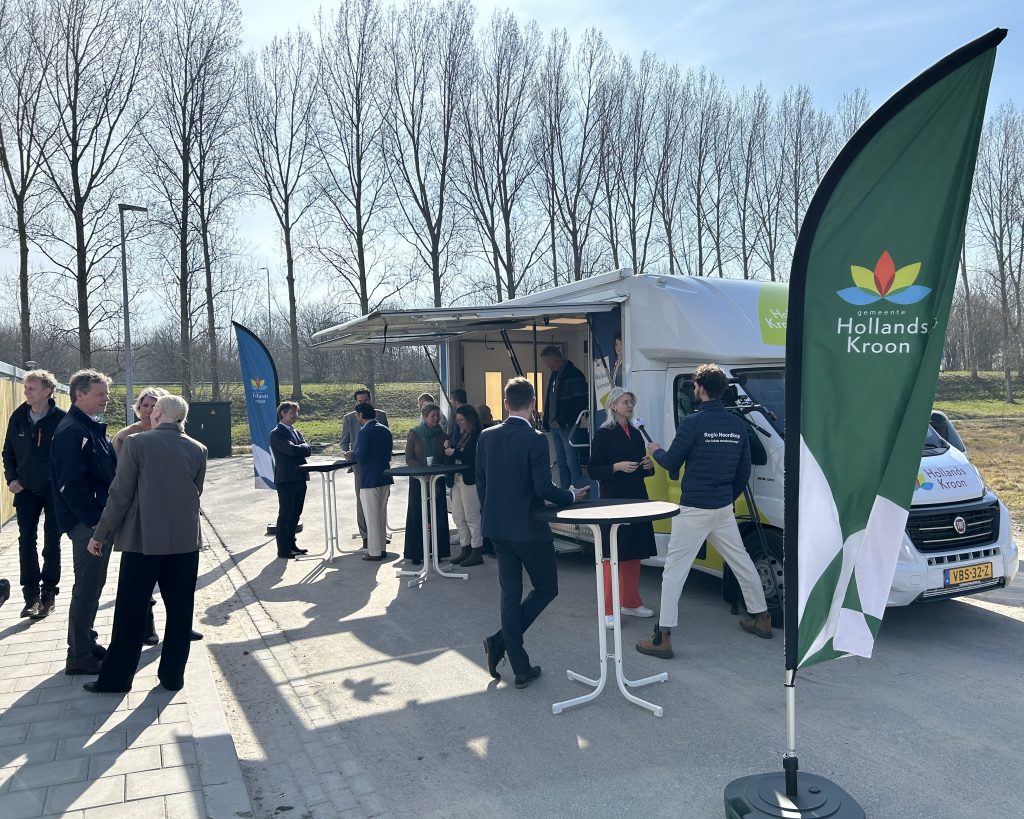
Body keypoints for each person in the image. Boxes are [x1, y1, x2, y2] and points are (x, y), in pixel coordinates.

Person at [636, 364, 772, 660]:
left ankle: (663, 637)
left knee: (674, 570)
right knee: (741, 561)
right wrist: (726, 497)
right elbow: (743, 470)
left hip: (695, 506)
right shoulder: (738, 425)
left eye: (695, 387)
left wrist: (654, 450)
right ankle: (761, 617)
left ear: (699, 388)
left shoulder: (693, 423)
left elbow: (671, 463)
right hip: (722, 507)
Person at [82, 395, 207, 694]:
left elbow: (120, 494)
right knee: (180, 611)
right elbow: (196, 491)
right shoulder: (198, 449)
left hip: (143, 540)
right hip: (185, 541)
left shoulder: (138, 444)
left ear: (159, 412)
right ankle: (173, 677)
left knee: (130, 611)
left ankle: (116, 679)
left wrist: (100, 535)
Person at [478, 377, 587, 689]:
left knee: (509, 595)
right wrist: (570, 495)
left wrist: (492, 518)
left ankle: (514, 658)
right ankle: (505, 649)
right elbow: (543, 487)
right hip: (529, 528)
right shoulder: (537, 440)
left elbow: (482, 483)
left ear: (506, 403)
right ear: (534, 403)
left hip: (498, 528)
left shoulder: (486, 437)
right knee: (546, 589)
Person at [51, 369, 118, 675]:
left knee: (94, 585)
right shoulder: (72, 431)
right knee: (87, 588)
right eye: (100, 394)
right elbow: (70, 484)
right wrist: (94, 523)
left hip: (94, 522)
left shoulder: (88, 427)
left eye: (106, 393)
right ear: (79, 395)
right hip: (87, 525)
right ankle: (78, 656)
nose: (106, 399)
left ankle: (86, 642)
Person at [587, 387, 657, 627]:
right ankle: (608, 608)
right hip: (614, 499)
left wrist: (648, 464)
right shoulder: (604, 434)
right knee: (611, 553)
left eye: (631, 402)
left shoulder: (636, 434)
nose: (629, 406)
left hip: (637, 497)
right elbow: (593, 469)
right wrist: (616, 467)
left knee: (633, 550)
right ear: (613, 406)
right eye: (625, 402)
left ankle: (630, 601)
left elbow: (645, 468)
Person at [2, 369, 66, 620]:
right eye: (26, 387)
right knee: (26, 541)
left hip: (53, 490)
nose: (26, 391)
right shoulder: (18, 417)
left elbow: (67, 455)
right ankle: (31, 597)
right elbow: (8, 451)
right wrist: (11, 478)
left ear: (47, 391)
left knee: (52, 542)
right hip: (25, 489)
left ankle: (48, 593)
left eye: (32, 388)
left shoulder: (61, 419)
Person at [341, 388, 389, 550]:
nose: (362, 404)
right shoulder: (349, 418)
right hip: (359, 465)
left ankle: (379, 537)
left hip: (378, 464)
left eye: (365, 401)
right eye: (359, 401)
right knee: (363, 502)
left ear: (370, 400)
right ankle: (366, 536)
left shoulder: (380, 416)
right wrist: (348, 454)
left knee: (380, 500)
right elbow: (344, 441)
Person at [403, 403, 450, 563]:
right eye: (433, 416)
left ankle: (438, 552)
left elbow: (446, 458)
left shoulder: (443, 436)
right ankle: (416, 554)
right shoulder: (415, 434)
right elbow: (409, 457)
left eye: (438, 416)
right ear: (424, 417)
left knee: (438, 515)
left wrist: (444, 457)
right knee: (417, 515)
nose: (436, 419)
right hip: (419, 480)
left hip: (437, 480)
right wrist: (423, 471)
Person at [541, 345, 588, 489]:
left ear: (554, 359)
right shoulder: (554, 375)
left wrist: (569, 421)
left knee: (571, 461)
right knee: (561, 462)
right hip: (555, 425)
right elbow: (550, 399)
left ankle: (577, 490)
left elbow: (580, 400)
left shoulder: (574, 374)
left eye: (547, 362)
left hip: (567, 425)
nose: (546, 365)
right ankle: (565, 491)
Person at [351, 402, 393, 561]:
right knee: (381, 515)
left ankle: (374, 552)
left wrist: (351, 455)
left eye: (357, 415)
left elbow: (361, 456)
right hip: (385, 477)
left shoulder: (364, 432)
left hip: (369, 479)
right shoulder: (385, 430)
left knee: (372, 517)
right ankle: (381, 548)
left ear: (361, 415)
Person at [269, 401, 311, 559]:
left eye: (296, 413)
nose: (295, 416)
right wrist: (302, 448)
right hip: (286, 479)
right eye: (292, 413)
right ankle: (283, 549)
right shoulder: (277, 433)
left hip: (300, 477)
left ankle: (292, 544)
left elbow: (308, 449)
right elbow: (291, 450)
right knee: (286, 514)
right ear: (283, 414)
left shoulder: (296, 431)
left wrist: (302, 448)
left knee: (296, 513)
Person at [444, 404, 484, 567]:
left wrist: (455, 452)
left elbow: (473, 458)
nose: (459, 423)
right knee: (458, 516)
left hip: (470, 480)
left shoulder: (477, 436)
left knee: (472, 516)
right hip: (458, 479)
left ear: (470, 420)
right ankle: (465, 547)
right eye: (457, 420)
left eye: (461, 420)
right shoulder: (463, 435)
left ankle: (476, 550)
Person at [112, 387, 168, 456]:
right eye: (145, 405)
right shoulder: (125, 435)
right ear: (139, 407)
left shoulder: (169, 435)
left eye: (154, 406)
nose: (148, 410)